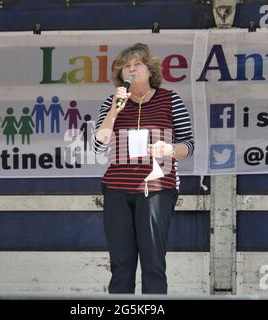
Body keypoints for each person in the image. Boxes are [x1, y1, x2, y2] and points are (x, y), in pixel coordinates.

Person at [93, 43, 194, 294]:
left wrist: (169, 150)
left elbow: (188, 145)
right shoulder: (112, 101)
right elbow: (98, 145)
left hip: (156, 189)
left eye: (137, 64)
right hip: (117, 190)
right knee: (121, 265)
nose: (131, 69)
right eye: (126, 66)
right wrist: (116, 109)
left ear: (150, 71)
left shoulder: (170, 100)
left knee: (153, 264)